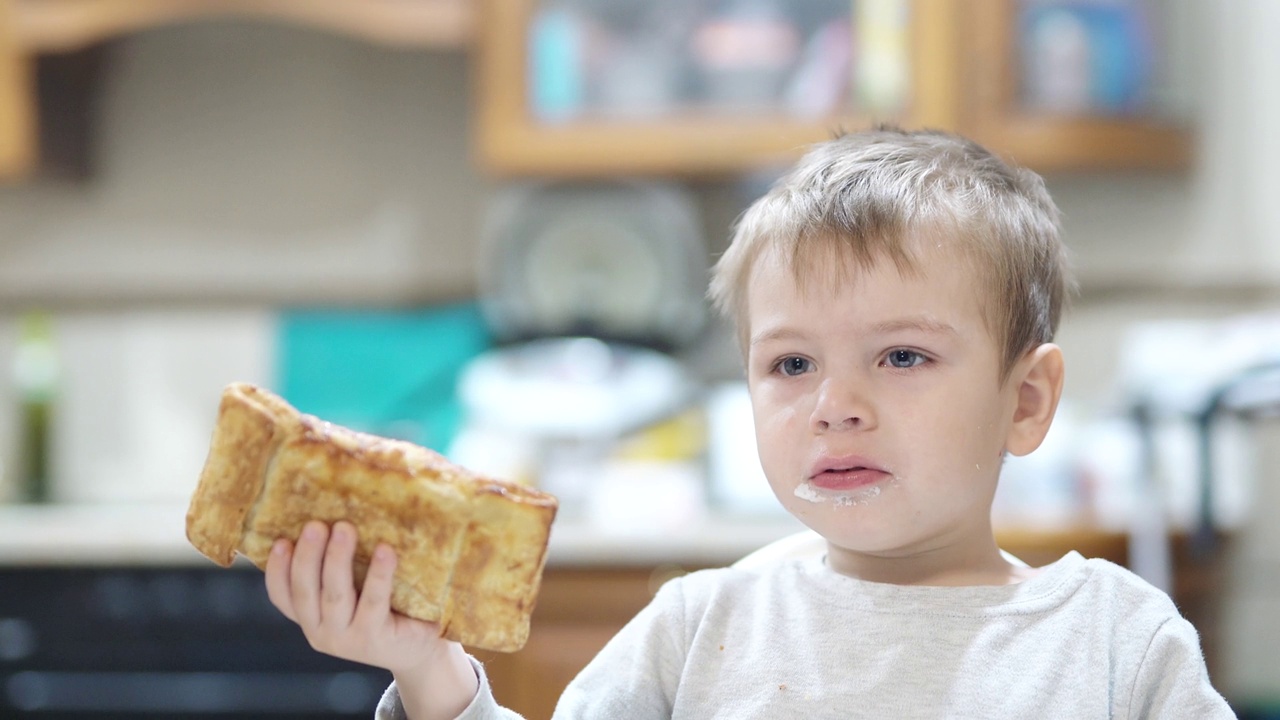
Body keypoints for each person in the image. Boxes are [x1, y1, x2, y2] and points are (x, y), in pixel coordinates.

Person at [263, 126, 1235, 719]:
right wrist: (427, 669)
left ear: (1024, 401)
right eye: (789, 363)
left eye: (900, 356)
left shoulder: (1115, 643)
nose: (834, 404)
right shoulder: (698, 626)